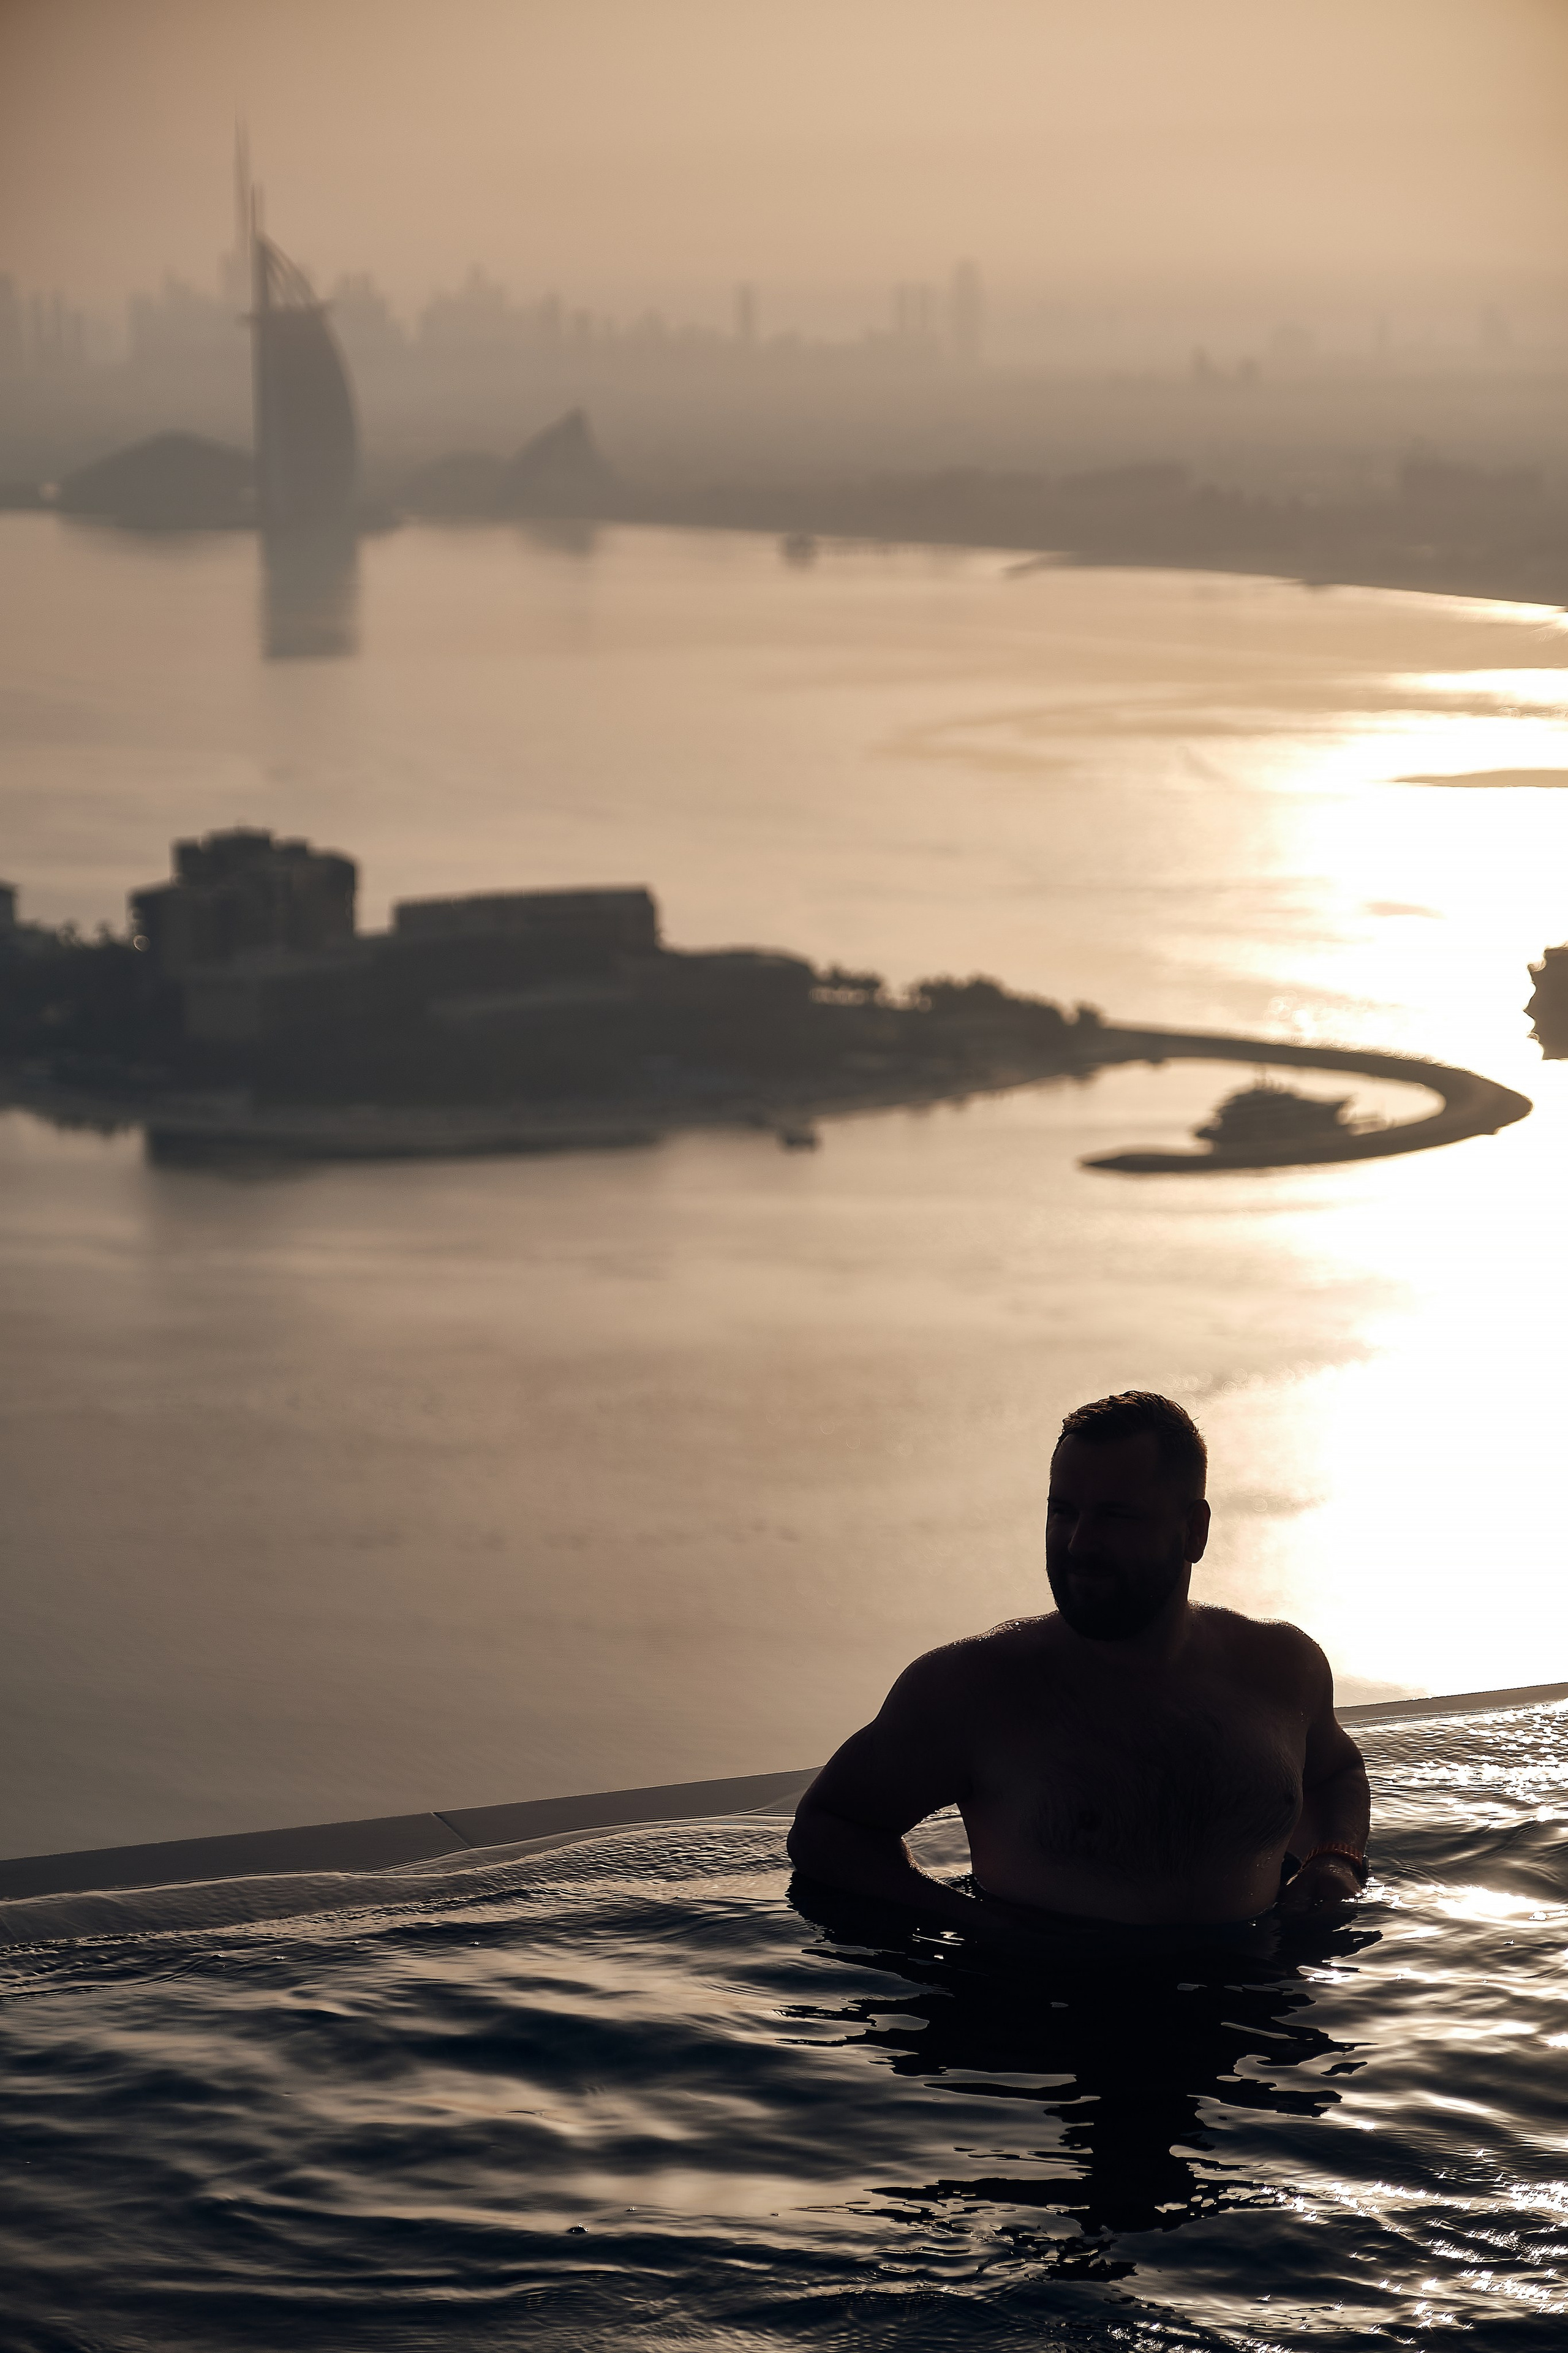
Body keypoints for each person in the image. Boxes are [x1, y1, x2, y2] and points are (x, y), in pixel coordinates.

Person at [788, 1391, 1370, 1933]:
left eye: (1115, 1516)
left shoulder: (1282, 1668)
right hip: (1053, 2015)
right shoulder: (973, 1690)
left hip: (1253, 2006)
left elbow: (1335, 1773)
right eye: (1063, 1511)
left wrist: (1336, 1858)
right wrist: (975, 1930)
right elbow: (827, 1829)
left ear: (1193, 1530)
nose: (1078, 1544)